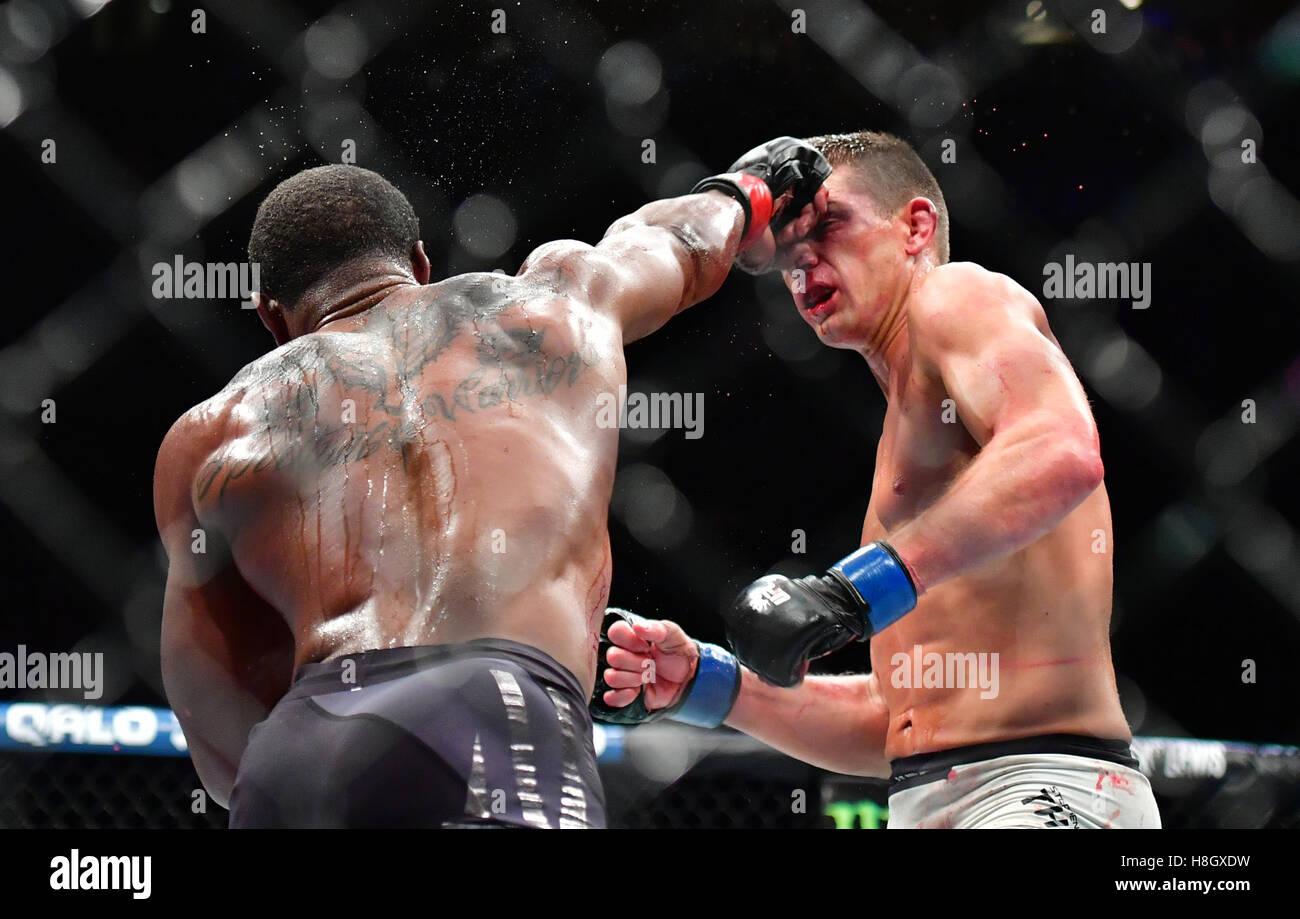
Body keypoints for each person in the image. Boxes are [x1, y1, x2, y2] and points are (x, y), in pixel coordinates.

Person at [153, 142, 829, 827]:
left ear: (271, 317)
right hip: (488, 712)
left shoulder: (212, 432)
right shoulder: (551, 303)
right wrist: (748, 190)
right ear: (419, 263)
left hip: (301, 756)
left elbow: (218, 732)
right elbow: (678, 239)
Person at [592, 131, 1161, 829]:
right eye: (788, 248)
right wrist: (709, 683)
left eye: (828, 225)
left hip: (1041, 788)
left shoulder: (957, 295)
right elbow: (901, 719)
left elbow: (1063, 449)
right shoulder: (913, 429)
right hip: (937, 796)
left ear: (915, 226)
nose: (803, 260)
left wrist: (851, 590)